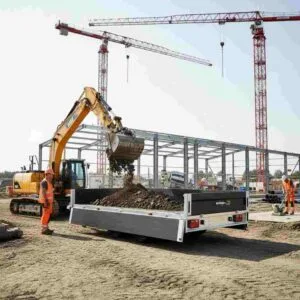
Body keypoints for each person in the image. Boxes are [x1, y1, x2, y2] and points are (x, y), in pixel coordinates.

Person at [38, 168, 55, 235]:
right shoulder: (44, 182)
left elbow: (50, 192)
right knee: (45, 215)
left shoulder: (49, 182)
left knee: (47, 215)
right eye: (51, 174)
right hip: (46, 201)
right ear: (47, 174)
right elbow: (43, 192)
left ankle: (46, 228)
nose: (52, 176)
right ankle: (44, 229)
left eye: (52, 175)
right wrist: (46, 201)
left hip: (49, 201)